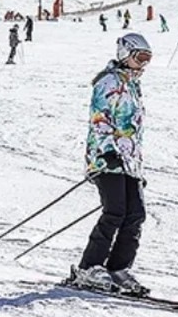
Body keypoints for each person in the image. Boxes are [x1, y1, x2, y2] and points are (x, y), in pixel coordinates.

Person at [68, 33, 152, 296]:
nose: (144, 64)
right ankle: (89, 267)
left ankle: (118, 268)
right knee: (115, 212)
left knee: (136, 214)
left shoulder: (133, 85)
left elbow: (133, 128)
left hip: (129, 162)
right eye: (140, 57)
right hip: (106, 158)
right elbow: (100, 118)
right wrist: (107, 151)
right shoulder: (109, 81)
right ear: (125, 54)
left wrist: (137, 166)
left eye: (148, 59)